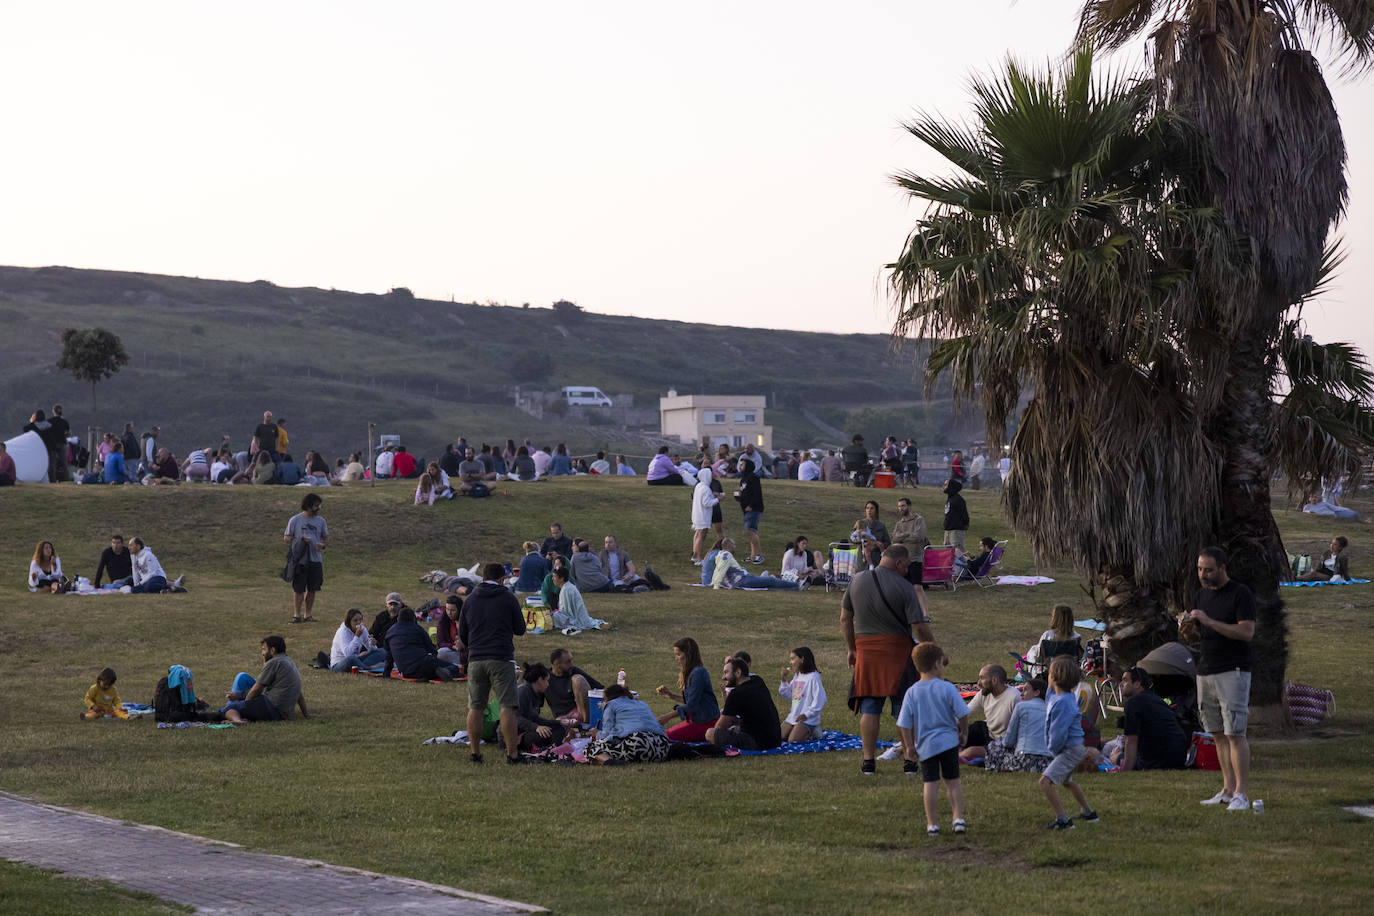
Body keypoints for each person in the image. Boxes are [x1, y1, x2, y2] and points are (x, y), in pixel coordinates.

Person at [841, 544, 935, 774]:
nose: (907, 571)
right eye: (906, 567)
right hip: (897, 652)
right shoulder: (904, 587)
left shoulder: (856, 580)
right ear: (899, 563)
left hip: (866, 652)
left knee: (870, 709)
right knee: (905, 709)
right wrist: (932, 649)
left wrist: (852, 648)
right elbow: (920, 626)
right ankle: (910, 761)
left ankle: (868, 762)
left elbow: (845, 618)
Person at [1186, 546, 1256, 811]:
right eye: (1200, 569)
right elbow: (1200, 633)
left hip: (1233, 670)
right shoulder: (1200, 596)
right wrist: (1190, 629)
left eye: (1209, 570)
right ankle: (1227, 789)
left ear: (1223, 568)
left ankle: (1242, 794)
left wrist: (1209, 621)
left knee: (1235, 733)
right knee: (1216, 734)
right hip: (1206, 669)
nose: (1203, 574)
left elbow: (1246, 632)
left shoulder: (1241, 594)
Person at [897, 643, 969, 836]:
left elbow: (904, 723)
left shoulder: (912, 692)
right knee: (953, 782)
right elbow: (963, 713)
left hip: (926, 746)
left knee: (930, 784)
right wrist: (963, 733)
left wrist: (909, 746)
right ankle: (958, 819)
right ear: (937, 664)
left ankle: (932, 824)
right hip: (949, 743)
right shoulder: (947, 688)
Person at [460, 563, 527, 764]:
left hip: (476, 659)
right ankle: (512, 754)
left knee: (476, 707)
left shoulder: (470, 599)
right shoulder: (507, 597)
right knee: (507, 706)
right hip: (501, 658)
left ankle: (475, 753)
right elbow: (520, 629)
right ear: (501, 579)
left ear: (482, 577)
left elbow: (463, 634)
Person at [1041, 655, 1099, 829]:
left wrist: (1053, 749)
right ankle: (1089, 813)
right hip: (1073, 749)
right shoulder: (1061, 697)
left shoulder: (1062, 704)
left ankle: (1063, 820)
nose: (1048, 677)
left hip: (1069, 750)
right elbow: (1049, 696)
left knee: (1045, 782)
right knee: (1067, 781)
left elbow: (1059, 732)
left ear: (1056, 678)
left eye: (1050, 674)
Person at [221, 636, 309, 723]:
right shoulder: (289, 661)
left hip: (273, 709)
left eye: (264, 649)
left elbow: (257, 689)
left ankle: (238, 721)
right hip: (283, 711)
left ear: (272, 650)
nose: (262, 653)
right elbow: (298, 693)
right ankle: (238, 710)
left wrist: (246, 705)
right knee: (242, 678)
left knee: (230, 708)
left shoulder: (275, 662)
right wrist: (306, 714)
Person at [1116, 667, 1189, 771]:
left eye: (1125, 680)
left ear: (1137, 684)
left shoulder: (1133, 703)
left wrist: (1125, 770)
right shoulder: (1157, 700)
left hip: (1156, 761)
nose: (1121, 684)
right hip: (1178, 758)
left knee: (1111, 752)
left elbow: (1132, 739)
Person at [706, 655, 782, 750]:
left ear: (738, 672)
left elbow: (719, 727)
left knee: (710, 733)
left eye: (726, 673)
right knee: (733, 728)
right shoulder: (758, 681)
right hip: (775, 740)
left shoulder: (736, 693)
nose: (723, 677)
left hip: (756, 743)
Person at [655, 636, 720, 741]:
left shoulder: (698, 673)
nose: (676, 658)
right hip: (696, 720)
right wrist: (672, 696)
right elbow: (693, 700)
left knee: (665, 738)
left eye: (678, 654)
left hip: (706, 722)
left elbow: (692, 705)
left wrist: (667, 717)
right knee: (664, 735)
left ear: (688, 655)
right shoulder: (691, 673)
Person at [585, 684, 671, 764]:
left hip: (638, 744)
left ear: (607, 698)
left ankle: (610, 762)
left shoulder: (611, 704)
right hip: (662, 747)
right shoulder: (642, 704)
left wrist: (597, 733)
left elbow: (606, 736)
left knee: (590, 747)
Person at [984, 678, 1052, 773]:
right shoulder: (1051, 709)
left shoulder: (1021, 706)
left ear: (1037, 692)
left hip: (1025, 759)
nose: (1021, 694)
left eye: (1025, 690)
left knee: (993, 746)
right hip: (1048, 762)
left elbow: (1008, 741)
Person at [284, 493, 328, 623]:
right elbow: (286, 538)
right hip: (300, 560)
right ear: (308, 505)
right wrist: (301, 540)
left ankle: (307, 615)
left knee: (313, 588)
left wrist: (322, 545)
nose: (318, 508)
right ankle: (296, 615)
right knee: (298, 589)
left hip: (315, 560)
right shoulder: (295, 520)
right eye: (315, 505)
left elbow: (325, 538)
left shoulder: (321, 521)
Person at [958, 664, 1019, 760]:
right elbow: (964, 714)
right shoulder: (983, 694)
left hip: (1002, 742)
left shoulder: (1014, 698)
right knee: (956, 733)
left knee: (971, 752)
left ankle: (958, 755)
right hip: (987, 732)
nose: (978, 683)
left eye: (982, 678)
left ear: (994, 680)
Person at [383, 607, 459, 681]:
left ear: (397, 619)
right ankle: (444, 671)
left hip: (406, 672)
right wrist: (434, 661)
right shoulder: (418, 629)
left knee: (426, 669)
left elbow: (389, 656)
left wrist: (386, 673)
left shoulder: (390, 632)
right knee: (454, 668)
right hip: (424, 663)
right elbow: (432, 649)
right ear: (413, 619)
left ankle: (430, 674)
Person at [711, 538, 801, 590]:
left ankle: (793, 586)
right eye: (733, 545)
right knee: (770, 581)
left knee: (768, 581)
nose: (735, 547)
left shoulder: (720, 555)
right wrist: (716, 586)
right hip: (743, 580)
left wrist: (714, 582)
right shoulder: (726, 555)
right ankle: (796, 585)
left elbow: (718, 570)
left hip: (743, 579)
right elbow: (721, 570)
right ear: (729, 546)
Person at [779, 647, 827, 743]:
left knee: (793, 741)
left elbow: (821, 699)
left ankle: (814, 730)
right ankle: (797, 730)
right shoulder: (798, 676)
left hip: (808, 719)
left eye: (793, 659)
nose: (791, 662)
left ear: (802, 659)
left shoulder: (814, 677)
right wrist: (784, 680)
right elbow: (791, 696)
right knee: (778, 738)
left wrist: (807, 714)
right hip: (794, 716)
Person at [547, 648, 602, 725]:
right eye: (568, 662)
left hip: (579, 713)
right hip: (562, 718)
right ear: (557, 664)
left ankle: (586, 725)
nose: (571, 664)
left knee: (578, 679)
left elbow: (600, 687)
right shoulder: (546, 678)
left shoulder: (573, 671)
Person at [891, 497, 930, 586]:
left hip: (915, 560)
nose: (901, 508)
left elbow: (918, 537)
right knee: (903, 588)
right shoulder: (899, 524)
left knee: (916, 588)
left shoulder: (919, 520)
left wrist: (902, 538)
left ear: (909, 507)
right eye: (899, 506)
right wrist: (908, 534)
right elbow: (895, 539)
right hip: (902, 562)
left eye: (903, 506)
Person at [734, 458, 765, 564]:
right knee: (751, 532)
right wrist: (740, 499)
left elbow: (757, 493)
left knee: (750, 531)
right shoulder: (743, 479)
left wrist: (751, 505)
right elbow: (745, 493)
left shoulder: (753, 478)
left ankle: (758, 555)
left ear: (748, 466)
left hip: (754, 508)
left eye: (742, 465)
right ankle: (753, 555)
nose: (740, 467)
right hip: (746, 510)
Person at [691, 468, 720, 563]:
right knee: (701, 537)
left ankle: (694, 556)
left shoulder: (699, 486)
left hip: (697, 515)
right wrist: (718, 499)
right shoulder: (706, 488)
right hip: (703, 516)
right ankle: (698, 558)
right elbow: (707, 503)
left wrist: (713, 494)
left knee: (697, 534)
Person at [852, 499, 891, 568]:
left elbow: (887, 543)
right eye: (867, 508)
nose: (869, 510)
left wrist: (876, 545)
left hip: (877, 559)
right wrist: (864, 542)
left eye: (872, 508)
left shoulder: (881, 526)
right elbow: (852, 538)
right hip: (863, 558)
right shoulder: (859, 523)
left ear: (876, 511)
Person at [435, 594, 467, 670]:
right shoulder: (443, 621)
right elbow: (440, 642)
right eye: (447, 609)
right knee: (440, 653)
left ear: (459, 610)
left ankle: (456, 667)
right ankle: (458, 667)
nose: (449, 613)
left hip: (466, 652)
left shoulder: (466, 621)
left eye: (453, 610)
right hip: (452, 651)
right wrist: (453, 646)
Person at [942, 479, 969, 553]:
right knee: (947, 553)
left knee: (958, 552)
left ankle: (963, 564)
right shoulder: (950, 499)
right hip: (948, 530)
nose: (944, 486)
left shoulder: (958, 500)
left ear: (951, 486)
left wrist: (965, 525)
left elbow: (964, 515)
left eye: (946, 484)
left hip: (956, 531)